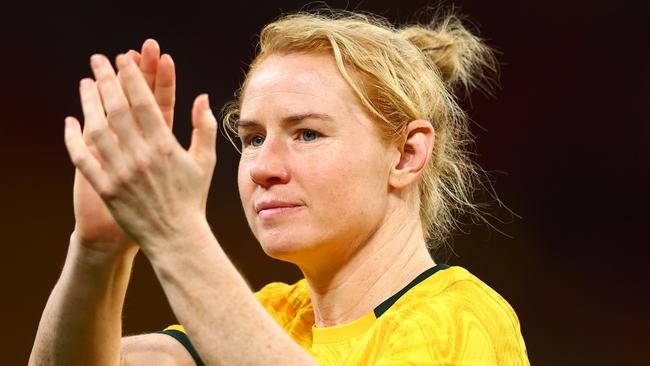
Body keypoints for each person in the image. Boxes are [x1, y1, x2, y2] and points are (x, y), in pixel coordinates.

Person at [29, 9, 529, 365]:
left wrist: (176, 233)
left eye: (307, 133)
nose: (263, 166)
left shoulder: (462, 319)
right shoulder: (274, 317)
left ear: (406, 154)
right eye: (252, 138)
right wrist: (98, 250)